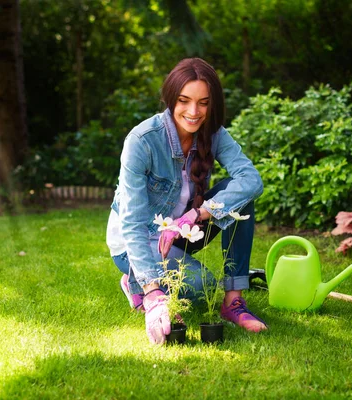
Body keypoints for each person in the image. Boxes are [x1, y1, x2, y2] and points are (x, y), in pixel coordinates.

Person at [106, 57, 267, 345]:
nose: (194, 112)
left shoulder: (214, 133)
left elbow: (251, 180)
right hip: (137, 242)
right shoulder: (141, 141)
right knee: (201, 287)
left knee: (241, 199)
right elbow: (132, 224)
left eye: (203, 103)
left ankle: (233, 302)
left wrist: (199, 213)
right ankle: (135, 282)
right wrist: (154, 291)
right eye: (184, 101)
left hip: (183, 229)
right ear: (171, 99)